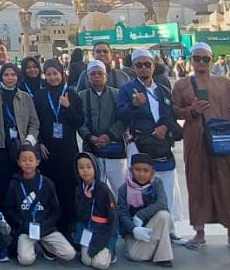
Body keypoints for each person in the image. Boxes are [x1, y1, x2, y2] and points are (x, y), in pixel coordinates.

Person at [171, 42, 230, 254]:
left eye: (205, 58)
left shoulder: (225, 83)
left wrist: (228, 125)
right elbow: (174, 110)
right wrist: (191, 110)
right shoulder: (182, 85)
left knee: (225, 183)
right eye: (197, 58)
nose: (201, 62)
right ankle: (199, 232)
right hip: (195, 140)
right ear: (191, 60)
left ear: (211, 60)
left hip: (220, 141)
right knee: (197, 182)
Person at [117, 49, 184, 240]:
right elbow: (121, 115)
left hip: (161, 145)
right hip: (140, 145)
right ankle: (139, 226)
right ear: (133, 67)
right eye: (139, 65)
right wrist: (134, 105)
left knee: (167, 186)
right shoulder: (127, 90)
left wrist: (164, 127)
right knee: (139, 188)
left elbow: (170, 114)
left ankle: (169, 230)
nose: (144, 68)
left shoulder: (162, 90)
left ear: (153, 66)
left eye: (147, 64)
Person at [35, 59, 83, 235]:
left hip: (67, 149)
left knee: (68, 187)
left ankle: (68, 224)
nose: (52, 77)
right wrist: (39, 141)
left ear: (62, 74)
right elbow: (36, 122)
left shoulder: (72, 94)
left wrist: (68, 107)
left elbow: (79, 121)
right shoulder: (40, 95)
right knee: (49, 186)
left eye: (55, 73)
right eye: (48, 74)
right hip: (48, 149)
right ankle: (50, 223)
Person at [5, 144, 75, 265]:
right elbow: (9, 208)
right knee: (26, 260)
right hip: (26, 230)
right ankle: (31, 247)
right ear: (18, 162)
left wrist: (46, 224)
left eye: (31, 160)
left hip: (45, 228)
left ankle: (46, 246)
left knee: (69, 254)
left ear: (37, 162)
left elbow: (55, 211)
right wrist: (21, 223)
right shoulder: (14, 184)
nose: (27, 163)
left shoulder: (47, 183)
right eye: (24, 160)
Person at [0, 63, 38, 203]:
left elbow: (34, 123)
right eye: (6, 75)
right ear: (1, 77)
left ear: (18, 77)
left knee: (21, 185)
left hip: (21, 148)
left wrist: (28, 142)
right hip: (1, 148)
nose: (9, 78)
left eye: (13, 75)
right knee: (1, 185)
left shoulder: (26, 97)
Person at [77, 61, 127, 198]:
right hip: (92, 149)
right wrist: (89, 137)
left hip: (114, 148)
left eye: (100, 73)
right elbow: (79, 121)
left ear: (106, 76)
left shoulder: (117, 94)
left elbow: (123, 119)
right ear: (88, 78)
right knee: (94, 189)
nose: (96, 76)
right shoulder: (81, 96)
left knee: (120, 189)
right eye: (93, 74)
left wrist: (110, 135)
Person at [117, 154, 175, 265]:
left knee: (164, 215)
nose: (141, 174)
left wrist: (141, 215)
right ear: (131, 170)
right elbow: (122, 214)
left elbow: (162, 203)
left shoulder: (157, 183)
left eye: (146, 170)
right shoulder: (124, 189)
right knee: (134, 255)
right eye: (137, 170)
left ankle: (163, 257)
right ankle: (157, 249)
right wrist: (133, 229)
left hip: (155, 227)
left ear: (152, 172)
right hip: (135, 233)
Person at [73, 152, 117, 270]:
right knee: (87, 261)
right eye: (81, 168)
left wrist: (108, 237)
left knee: (100, 264)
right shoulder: (79, 189)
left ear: (95, 168)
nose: (85, 170)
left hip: (103, 230)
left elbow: (113, 218)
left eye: (89, 167)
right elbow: (80, 215)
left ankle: (110, 252)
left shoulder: (104, 189)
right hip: (87, 229)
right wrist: (87, 201)